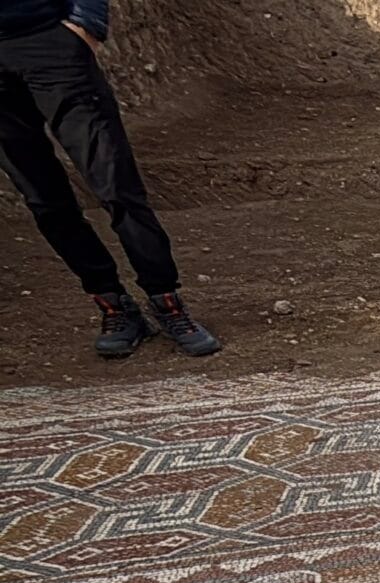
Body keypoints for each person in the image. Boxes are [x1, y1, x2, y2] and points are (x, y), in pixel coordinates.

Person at [0, 0, 219, 358]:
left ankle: (166, 301)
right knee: (44, 200)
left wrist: (86, 24)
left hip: (50, 42)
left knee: (115, 184)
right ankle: (114, 306)